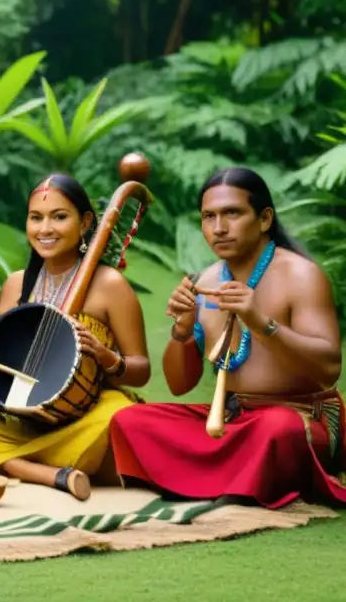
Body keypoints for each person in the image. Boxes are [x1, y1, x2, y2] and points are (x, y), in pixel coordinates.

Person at [109, 167, 346, 508]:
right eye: (209, 217)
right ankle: (235, 478)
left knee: (276, 431)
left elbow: (327, 369)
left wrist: (260, 321)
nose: (218, 228)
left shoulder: (302, 276)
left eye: (232, 213)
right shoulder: (206, 280)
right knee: (130, 420)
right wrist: (182, 332)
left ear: (265, 219)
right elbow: (179, 385)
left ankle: (205, 480)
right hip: (232, 420)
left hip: (300, 418)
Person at [0, 174, 151, 500]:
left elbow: (141, 370)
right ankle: (45, 472)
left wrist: (106, 357)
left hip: (88, 414)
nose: (45, 229)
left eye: (59, 217)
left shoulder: (110, 285)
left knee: (120, 416)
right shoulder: (16, 284)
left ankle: (8, 462)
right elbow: (5, 368)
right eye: (36, 218)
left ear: (86, 222)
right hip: (26, 418)